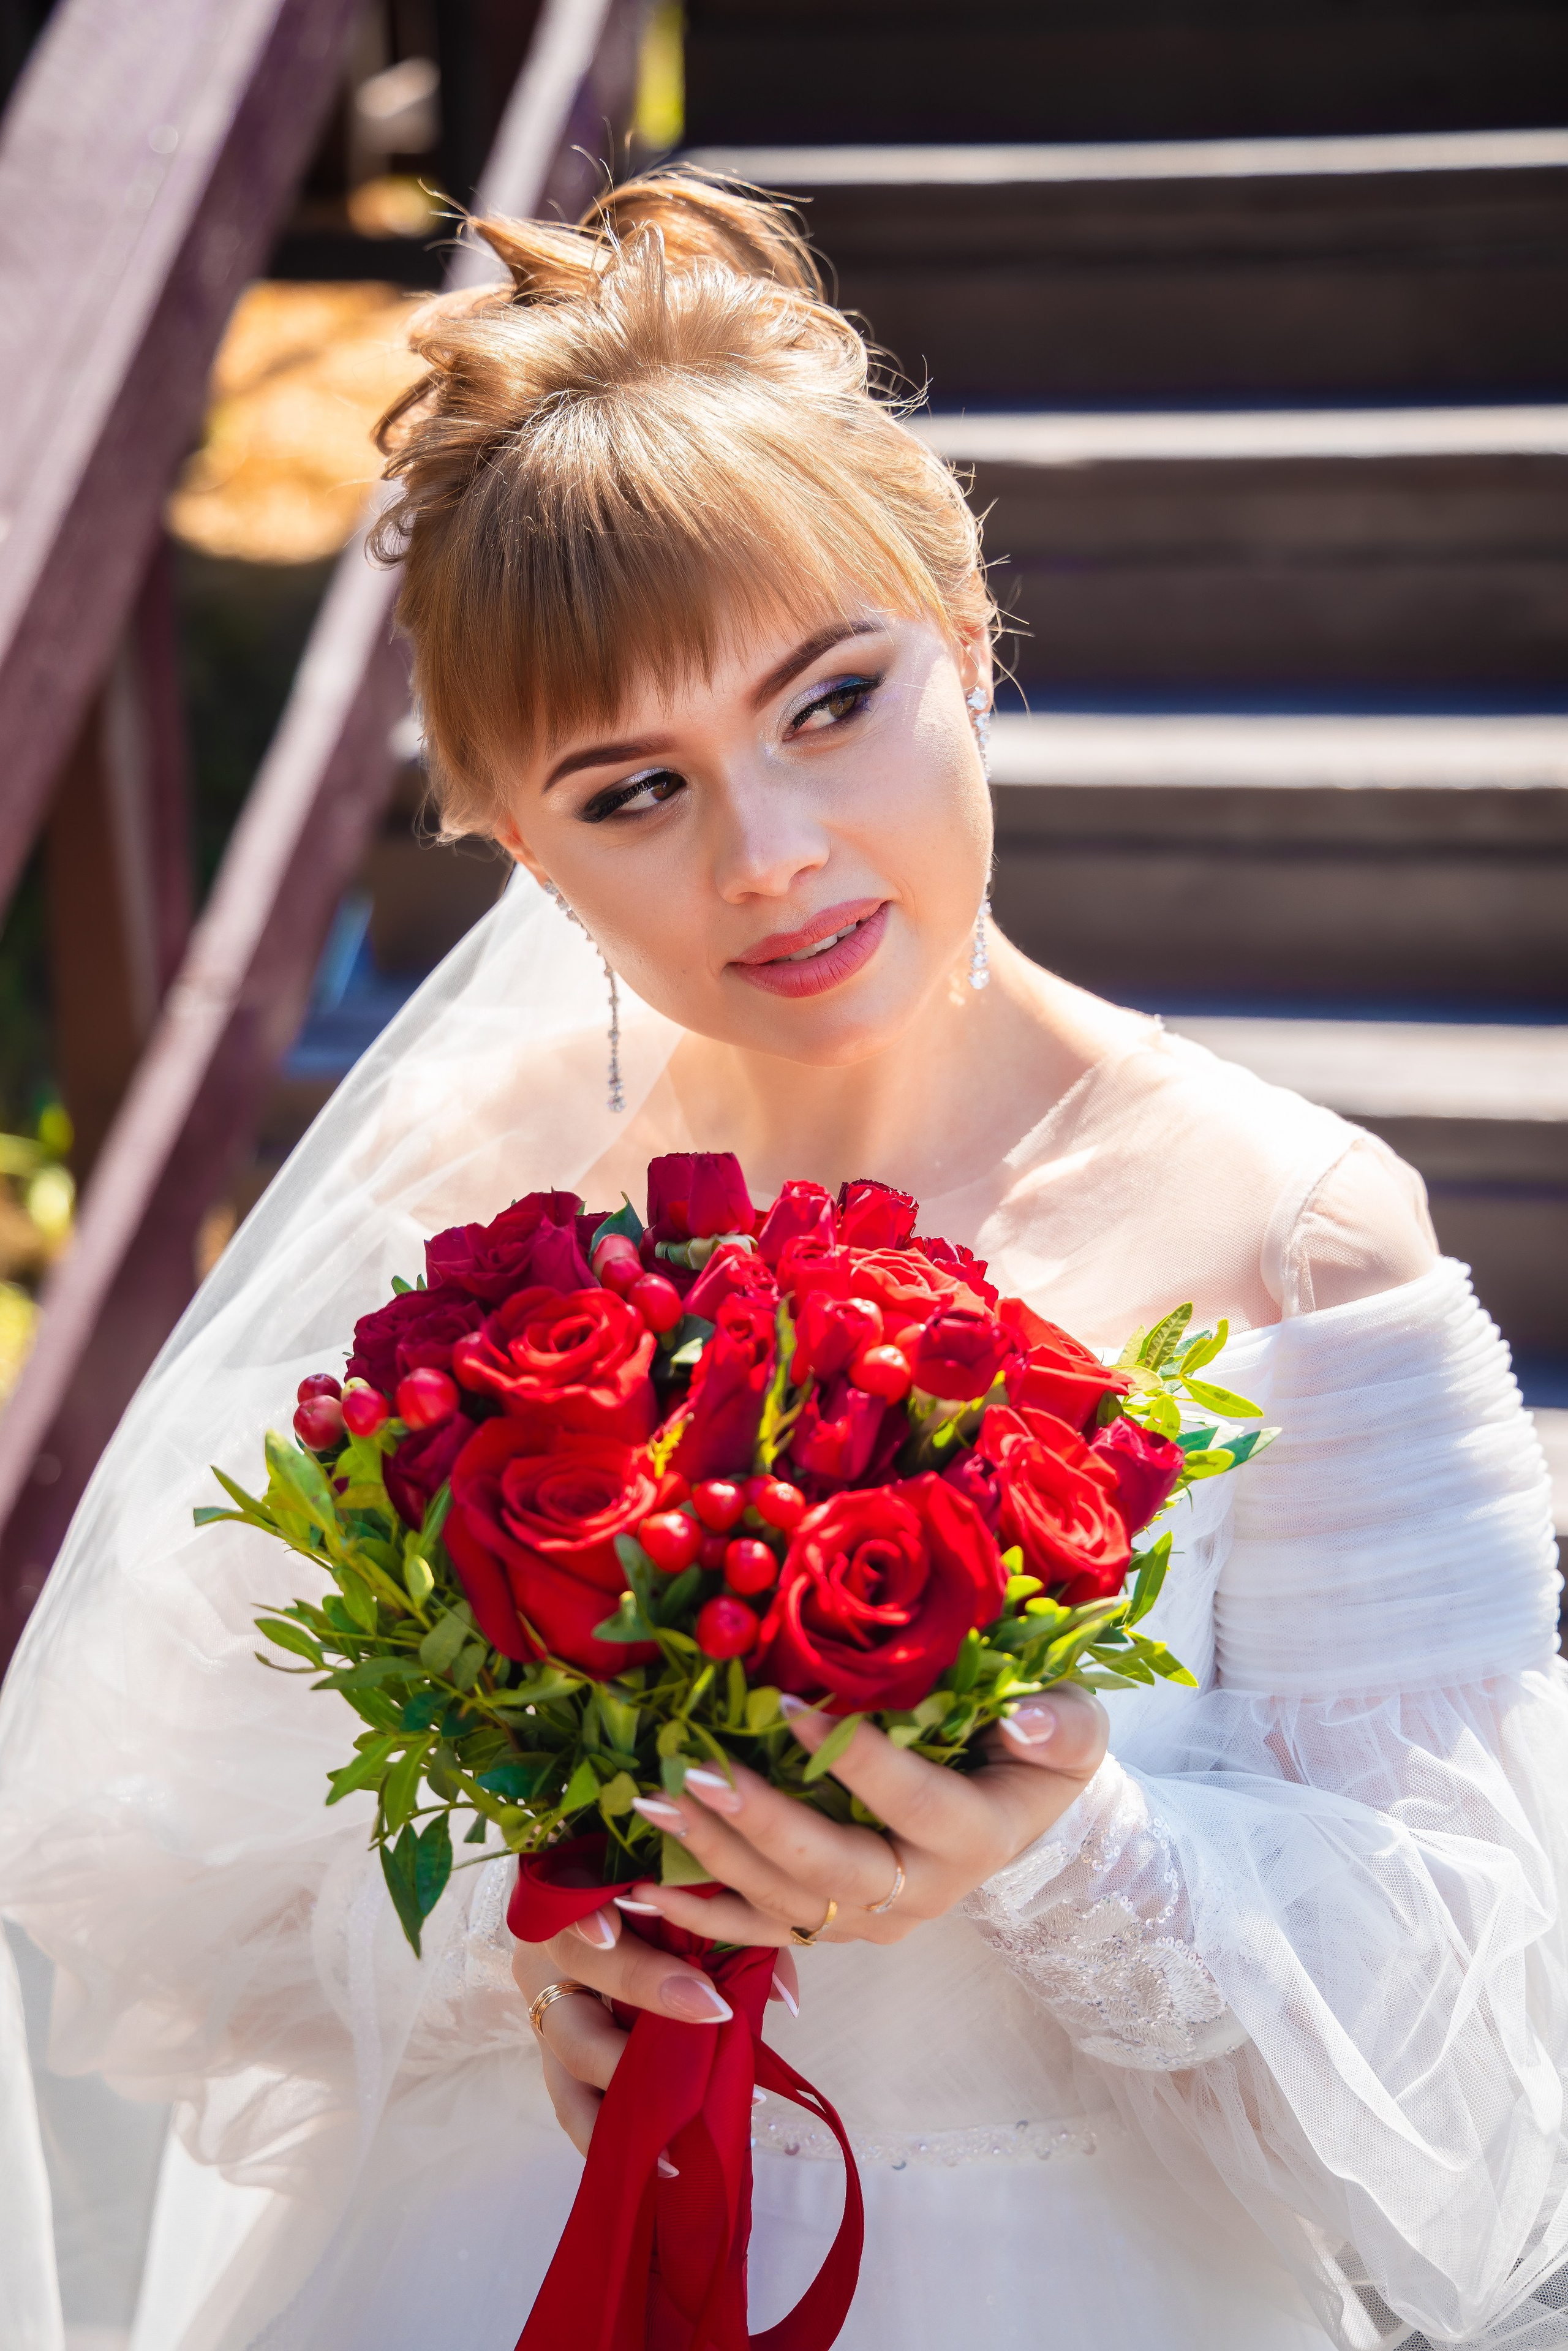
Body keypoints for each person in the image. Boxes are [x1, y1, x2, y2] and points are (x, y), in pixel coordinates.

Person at [0, 171, 1561, 2351]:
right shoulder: (473, 1220)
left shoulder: (1290, 1233)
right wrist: (516, 1948)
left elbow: (1480, 2064)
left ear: (973, 630)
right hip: (494, 2245)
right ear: (515, 837)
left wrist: (1061, 1852)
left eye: (833, 701)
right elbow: (157, 1872)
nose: (772, 856)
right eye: (632, 793)